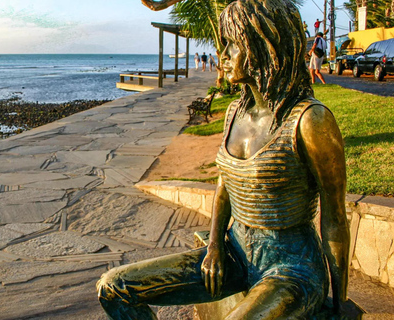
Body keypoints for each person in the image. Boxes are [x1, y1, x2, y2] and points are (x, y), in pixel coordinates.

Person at [98, 0, 349, 318]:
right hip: (235, 249)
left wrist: (340, 304)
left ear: (263, 48)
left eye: (232, 44)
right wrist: (215, 245)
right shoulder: (235, 112)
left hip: (291, 269)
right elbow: (224, 188)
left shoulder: (311, 120)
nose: (223, 55)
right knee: (114, 287)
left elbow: (335, 219)